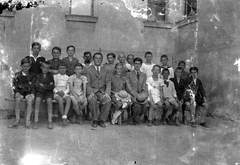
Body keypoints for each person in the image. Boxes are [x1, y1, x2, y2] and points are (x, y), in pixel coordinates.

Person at [8, 58, 35, 129]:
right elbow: (14, 85)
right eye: (24, 66)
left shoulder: (32, 75)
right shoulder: (17, 75)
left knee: (29, 100)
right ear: (21, 66)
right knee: (17, 100)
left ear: (30, 66)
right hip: (20, 92)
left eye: (27, 66)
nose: (26, 68)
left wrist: (32, 93)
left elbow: (34, 85)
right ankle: (17, 119)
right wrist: (16, 92)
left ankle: (27, 121)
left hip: (28, 92)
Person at [86, 53, 111, 128]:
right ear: (93, 59)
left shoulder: (105, 70)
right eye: (96, 58)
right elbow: (87, 82)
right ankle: (95, 120)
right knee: (92, 100)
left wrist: (107, 93)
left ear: (102, 60)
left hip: (102, 91)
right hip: (92, 90)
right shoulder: (89, 69)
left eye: (100, 58)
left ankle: (102, 120)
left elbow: (108, 82)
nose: (98, 60)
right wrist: (90, 92)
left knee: (107, 100)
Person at [126, 57, 149, 125]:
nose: (137, 65)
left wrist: (144, 95)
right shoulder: (128, 74)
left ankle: (137, 117)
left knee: (146, 105)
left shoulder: (144, 75)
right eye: (135, 63)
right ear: (133, 64)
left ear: (141, 65)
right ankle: (134, 118)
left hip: (141, 94)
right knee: (137, 105)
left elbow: (145, 86)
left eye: (139, 64)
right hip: (132, 94)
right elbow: (128, 87)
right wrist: (136, 95)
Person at [33, 61, 54, 130]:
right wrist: (46, 86)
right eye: (44, 67)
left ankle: (50, 120)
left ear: (49, 69)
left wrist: (43, 85)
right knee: (37, 100)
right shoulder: (38, 76)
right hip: (40, 92)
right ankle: (36, 121)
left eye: (47, 68)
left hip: (48, 93)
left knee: (49, 101)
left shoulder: (50, 76)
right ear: (41, 67)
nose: (45, 69)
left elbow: (52, 86)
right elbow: (37, 86)